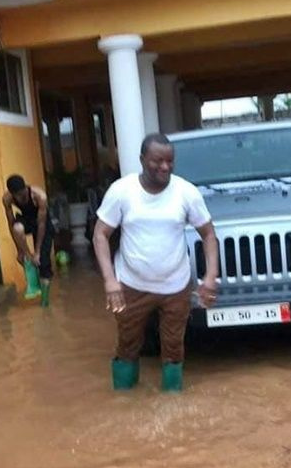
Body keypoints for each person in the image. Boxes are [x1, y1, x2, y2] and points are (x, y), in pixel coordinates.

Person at [93, 133, 219, 392]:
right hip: (131, 285)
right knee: (128, 345)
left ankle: (172, 405)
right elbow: (100, 234)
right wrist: (109, 281)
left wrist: (210, 277)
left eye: (170, 161)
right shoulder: (122, 191)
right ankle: (124, 403)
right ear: (142, 160)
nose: (165, 167)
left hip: (175, 287)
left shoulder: (186, 192)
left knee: (174, 348)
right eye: (157, 161)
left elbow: (208, 234)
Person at [3, 175, 54, 306]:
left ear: (26, 187)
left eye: (23, 193)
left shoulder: (39, 196)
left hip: (43, 224)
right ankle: (28, 256)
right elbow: (11, 224)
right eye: (18, 196)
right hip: (26, 218)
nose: (21, 197)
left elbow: (41, 224)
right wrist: (20, 251)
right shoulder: (7, 199)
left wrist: (37, 252)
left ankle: (45, 301)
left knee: (43, 260)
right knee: (17, 228)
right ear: (12, 194)